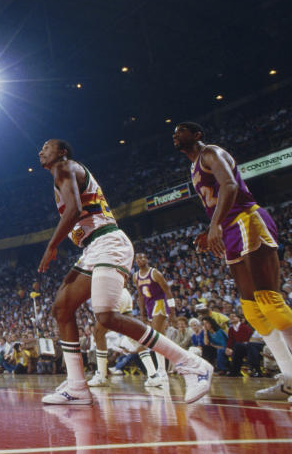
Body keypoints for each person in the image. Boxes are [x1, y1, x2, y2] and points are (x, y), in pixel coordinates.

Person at [36, 139, 212, 405]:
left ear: (62, 152)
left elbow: (73, 210)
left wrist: (51, 246)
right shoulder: (61, 175)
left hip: (108, 242)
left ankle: (192, 364)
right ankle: (76, 387)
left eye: (47, 146)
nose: (41, 151)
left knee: (106, 315)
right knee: (62, 308)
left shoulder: (64, 166)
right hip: (93, 247)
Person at [173, 122, 292, 401]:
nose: (175, 134)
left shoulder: (211, 153)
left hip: (248, 221)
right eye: (174, 132)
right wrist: (210, 231)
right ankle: (289, 378)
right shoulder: (192, 168)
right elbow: (217, 200)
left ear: (198, 135)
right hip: (231, 229)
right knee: (253, 312)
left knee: (271, 304)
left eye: (182, 130)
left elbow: (229, 185)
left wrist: (215, 225)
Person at [133, 252, 175, 387]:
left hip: (160, 303)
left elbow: (168, 291)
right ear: (135, 262)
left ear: (147, 259)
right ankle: (163, 370)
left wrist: (172, 311)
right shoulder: (135, 276)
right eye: (138, 258)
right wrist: (142, 314)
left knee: (155, 338)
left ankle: (161, 371)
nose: (141, 259)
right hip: (149, 306)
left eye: (143, 257)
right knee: (160, 338)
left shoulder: (155, 273)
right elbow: (140, 296)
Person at [87, 287, 134, 387]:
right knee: (137, 332)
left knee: (98, 333)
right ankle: (154, 374)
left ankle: (102, 375)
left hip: (110, 292)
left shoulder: (113, 333)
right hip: (124, 292)